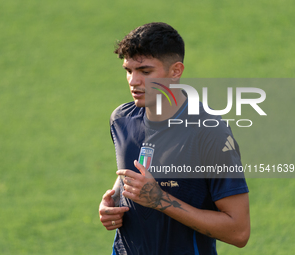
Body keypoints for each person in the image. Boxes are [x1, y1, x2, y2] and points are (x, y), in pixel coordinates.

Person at [99, 22, 250, 255]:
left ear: (176, 71)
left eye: (145, 72)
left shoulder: (210, 133)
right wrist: (114, 201)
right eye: (129, 70)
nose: (133, 81)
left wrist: (159, 200)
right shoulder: (122, 119)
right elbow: (135, 169)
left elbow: (238, 231)